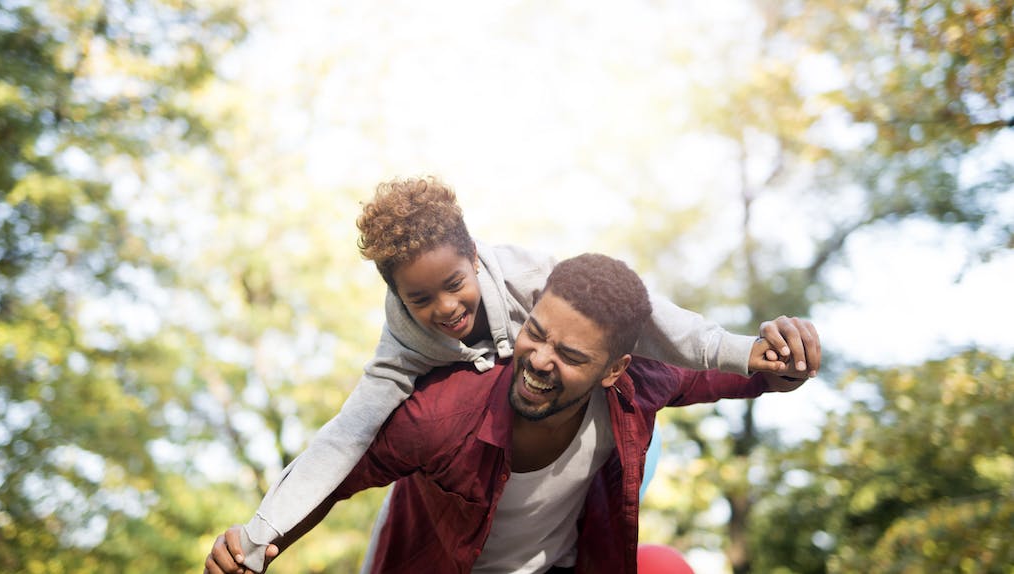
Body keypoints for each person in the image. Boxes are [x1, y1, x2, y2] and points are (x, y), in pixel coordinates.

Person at [226, 177, 821, 571]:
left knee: (663, 563)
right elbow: (343, 453)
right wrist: (257, 541)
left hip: (557, 563)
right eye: (535, 335)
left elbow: (675, 345)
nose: (538, 359)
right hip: (446, 556)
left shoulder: (538, 282)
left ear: (615, 368)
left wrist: (766, 361)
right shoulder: (432, 401)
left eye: (572, 355)